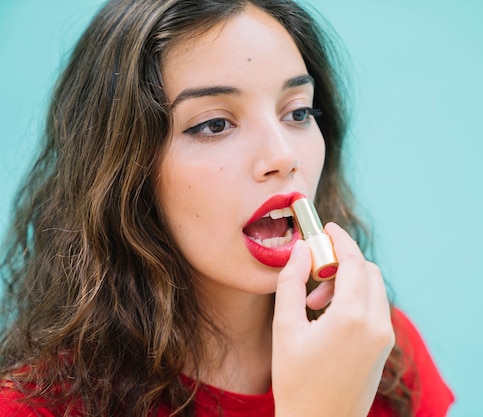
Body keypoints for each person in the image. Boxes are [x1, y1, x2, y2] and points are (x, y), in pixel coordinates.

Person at [0, 0, 453, 416]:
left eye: (297, 112)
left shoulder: (376, 348)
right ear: (124, 170)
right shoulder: (35, 407)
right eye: (215, 124)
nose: (282, 156)